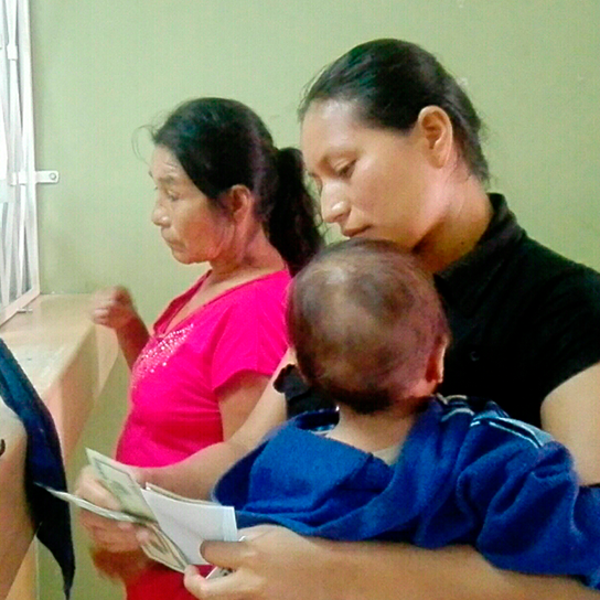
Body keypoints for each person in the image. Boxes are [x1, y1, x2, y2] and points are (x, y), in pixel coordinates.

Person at [78, 40, 600, 599]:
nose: (330, 207)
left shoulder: (568, 307)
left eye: (345, 170)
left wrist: (336, 572)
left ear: (434, 135)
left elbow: (581, 577)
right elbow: (244, 450)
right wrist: (147, 489)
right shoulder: (339, 295)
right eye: (319, 182)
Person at [211, 238, 600, 590]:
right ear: (435, 362)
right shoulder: (488, 455)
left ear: (305, 376)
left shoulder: (275, 463)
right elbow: (567, 544)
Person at [84, 97, 322, 600]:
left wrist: (145, 499)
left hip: (191, 576)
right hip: (156, 561)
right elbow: (171, 394)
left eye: (172, 194)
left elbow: (242, 472)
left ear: (237, 203)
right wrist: (130, 328)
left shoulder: (256, 313)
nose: (157, 214)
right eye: (157, 192)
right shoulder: (216, 280)